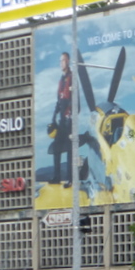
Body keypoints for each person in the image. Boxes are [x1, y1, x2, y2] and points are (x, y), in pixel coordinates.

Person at [50, 51, 73, 186]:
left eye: (63, 60)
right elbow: (59, 101)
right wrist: (54, 117)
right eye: (60, 61)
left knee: (70, 150)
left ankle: (70, 179)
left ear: (68, 61)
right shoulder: (61, 80)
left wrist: (71, 116)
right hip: (61, 120)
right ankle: (57, 177)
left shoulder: (72, 77)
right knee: (56, 148)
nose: (61, 63)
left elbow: (75, 100)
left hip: (69, 120)